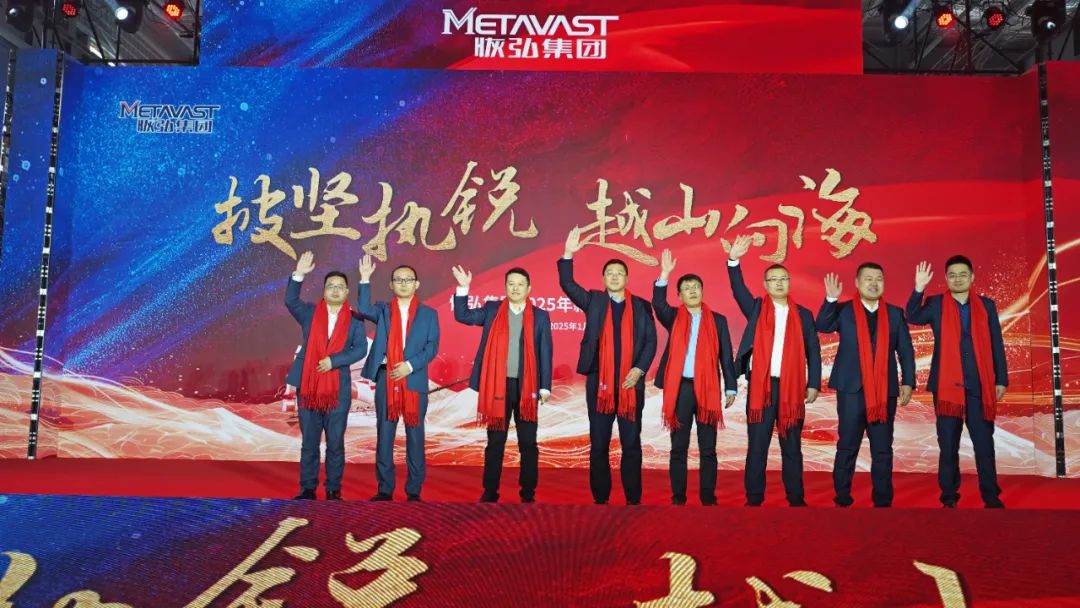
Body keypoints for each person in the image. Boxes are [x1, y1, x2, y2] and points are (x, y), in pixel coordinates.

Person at [559, 227, 657, 505]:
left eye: (619, 273)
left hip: (630, 383)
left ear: (626, 278)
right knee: (599, 445)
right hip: (599, 383)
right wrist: (568, 254)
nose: (614, 277)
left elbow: (651, 341)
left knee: (631, 445)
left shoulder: (641, 306)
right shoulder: (594, 301)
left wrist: (639, 369)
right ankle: (600, 500)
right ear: (603, 279)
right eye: (610, 273)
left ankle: (633, 500)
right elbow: (568, 284)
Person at [727, 234, 822, 507]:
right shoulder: (757, 308)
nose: (779, 283)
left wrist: (813, 383)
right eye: (774, 280)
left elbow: (813, 351)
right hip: (762, 389)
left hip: (792, 389)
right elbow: (738, 291)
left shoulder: (803, 314)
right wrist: (733, 260)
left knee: (792, 447)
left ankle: (796, 499)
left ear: (789, 283)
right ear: (766, 285)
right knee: (758, 447)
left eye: (784, 279)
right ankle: (754, 499)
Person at [907, 256, 1008, 508]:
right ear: (946, 278)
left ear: (972, 277)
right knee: (948, 444)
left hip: (979, 384)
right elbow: (912, 316)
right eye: (952, 275)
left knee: (984, 444)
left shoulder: (986, 306)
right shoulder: (935, 304)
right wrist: (919, 288)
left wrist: (1001, 378)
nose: (958, 279)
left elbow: (996, 344)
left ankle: (990, 496)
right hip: (946, 386)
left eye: (963, 274)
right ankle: (949, 496)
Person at [816, 263, 915, 507]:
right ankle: (842, 498)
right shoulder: (843, 310)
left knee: (882, 449)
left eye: (878, 278)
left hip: (884, 391)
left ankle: (882, 501)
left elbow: (905, 350)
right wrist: (830, 299)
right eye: (868, 278)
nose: (873, 283)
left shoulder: (894, 313)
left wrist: (908, 382)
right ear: (857, 283)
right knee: (847, 446)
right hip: (851, 389)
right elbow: (823, 326)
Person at [452, 265, 553, 503]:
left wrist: (545, 386)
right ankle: (490, 492)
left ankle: (527, 493)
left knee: (528, 443)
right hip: (498, 387)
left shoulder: (540, 316)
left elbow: (545, 351)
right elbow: (463, 316)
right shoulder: (492, 310)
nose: (515, 288)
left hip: (527, 387)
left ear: (529, 288)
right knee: (495, 442)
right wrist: (463, 288)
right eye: (511, 284)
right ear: (505, 286)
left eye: (520, 284)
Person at [652, 249, 737, 506]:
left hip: (708, 389)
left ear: (702, 291)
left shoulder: (718, 321)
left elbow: (726, 357)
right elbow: (658, 304)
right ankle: (678, 495)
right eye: (687, 288)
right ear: (679, 295)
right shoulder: (673, 317)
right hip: (681, 389)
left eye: (696, 287)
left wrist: (730, 388)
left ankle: (707, 496)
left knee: (708, 447)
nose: (692, 291)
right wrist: (664, 274)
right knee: (679, 446)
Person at [284, 251, 368, 500]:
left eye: (340, 287)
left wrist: (334, 361)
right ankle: (308, 488)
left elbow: (360, 349)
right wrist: (299, 274)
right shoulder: (309, 313)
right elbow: (290, 300)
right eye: (331, 286)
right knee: (309, 442)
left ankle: (333, 489)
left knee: (335, 443)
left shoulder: (355, 321)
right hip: (309, 387)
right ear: (324, 290)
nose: (335, 290)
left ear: (347, 292)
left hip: (338, 390)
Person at [357, 254, 440, 502]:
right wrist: (364, 279)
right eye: (398, 280)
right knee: (385, 435)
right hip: (387, 377)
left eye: (408, 279)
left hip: (414, 379)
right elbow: (363, 309)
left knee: (415, 436)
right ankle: (385, 489)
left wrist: (409, 366)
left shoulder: (429, 314)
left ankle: (413, 491)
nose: (403, 283)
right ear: (391, 285)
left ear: (417, 284)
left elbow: (431, 347)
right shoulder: (383, 310)